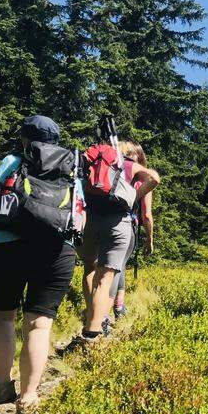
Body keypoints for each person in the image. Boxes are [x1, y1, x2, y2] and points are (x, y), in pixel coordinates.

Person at [0, 116, 81, 414]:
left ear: (25, 138)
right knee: (39, 324)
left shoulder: (12, 160)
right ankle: (29, 397)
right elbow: (79, 209)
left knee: (1, 317)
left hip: (8, 246)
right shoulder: (73, 166)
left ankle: (1, 385)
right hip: (57, 248)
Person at [74, 138, 159, 346]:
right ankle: (94, 329)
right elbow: (155, 178)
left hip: (91, 218)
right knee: (107, 277)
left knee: (89, 269)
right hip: (118, 222)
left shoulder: (98, 162)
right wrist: (133, 196)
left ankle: (91, 313)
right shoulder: (129, 165)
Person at [106, 141, 155, 327]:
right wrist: (149, 239)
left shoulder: (111, 172)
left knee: (108, 266)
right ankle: (109, 311)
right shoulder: (142, 180)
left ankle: (117, 306)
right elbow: (147, 215)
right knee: (117, 268)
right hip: (127, 226)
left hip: (102, 222)